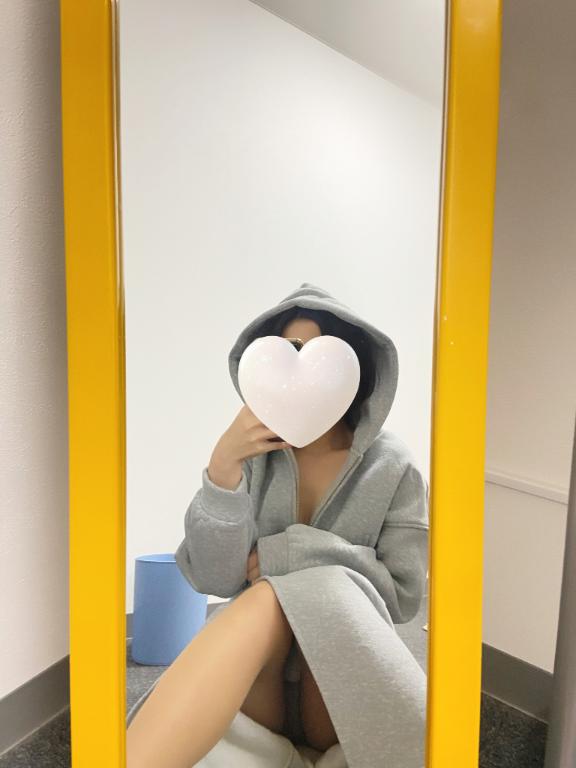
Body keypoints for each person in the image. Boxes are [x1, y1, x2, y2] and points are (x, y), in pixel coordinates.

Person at [127, 282, 429, 768]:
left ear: (356, 367)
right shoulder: (252, 455)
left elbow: (403, 596)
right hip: (261, 684)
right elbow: (215, 578)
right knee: (267, 599)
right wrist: (222, 469)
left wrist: (288, 555)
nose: (301, 366)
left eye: (319, 353)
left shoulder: (393, 465)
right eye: (289, 350)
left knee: (303, 589)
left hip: (335, 691)